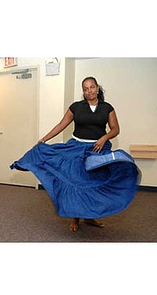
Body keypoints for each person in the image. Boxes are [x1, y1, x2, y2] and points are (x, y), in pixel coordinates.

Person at [10, 76, 139, 232]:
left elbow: (115, 129)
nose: (89, 91)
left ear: (97, 88)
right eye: (85, 89)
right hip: (76, 148)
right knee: (77, 182)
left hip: (96, 150)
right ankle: (75, 218)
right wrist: (44, 139)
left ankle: (90, 216)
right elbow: (61, 125)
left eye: (92, 87)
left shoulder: (107, 108)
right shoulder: (76, 107)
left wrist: (104, 138)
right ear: (83, 92)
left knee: (92, 183)